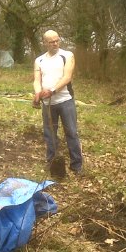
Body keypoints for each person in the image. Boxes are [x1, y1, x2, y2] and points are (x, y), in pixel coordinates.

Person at [32, 30, 83, 175]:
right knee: (50, 134)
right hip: (48, 104)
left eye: (57, 40)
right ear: (45, 43)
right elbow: (37, 80)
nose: (55, 44)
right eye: (51, 41)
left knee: (71, 132)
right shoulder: (39, 60)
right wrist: (37, 93)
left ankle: (77, 165)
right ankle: (52, 163)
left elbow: (67, 77)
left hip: (65, 100)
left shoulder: (67, 55)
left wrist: (52, 90)